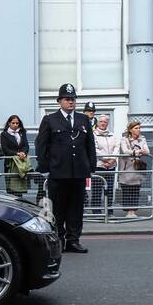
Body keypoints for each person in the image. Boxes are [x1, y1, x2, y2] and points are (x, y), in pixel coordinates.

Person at [35, 83, 96, 253]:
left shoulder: (83, 119)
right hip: (58, 172)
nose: (71, 102)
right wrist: (45, 167)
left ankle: (73, 240)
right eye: (67, 99)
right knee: (58, 209)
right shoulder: (50, 119)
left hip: (78, 172)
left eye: (73, 99)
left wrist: (91, 165)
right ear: (59, 101)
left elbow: (89, 144)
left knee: (76, 209)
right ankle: (58, 239)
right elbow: (42, 145)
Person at [116, 121, 150, 219]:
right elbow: (125, 151)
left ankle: (133, 211)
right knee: (126, 190)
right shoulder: (124, 139)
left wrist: (137, 152)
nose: (138, 130)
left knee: (135, 190)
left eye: (139, 128)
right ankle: (128, 211)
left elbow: (147, 150)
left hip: (137, 168)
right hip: (127, 167)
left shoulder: (142, 139)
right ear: (130, 130)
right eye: (136, 128)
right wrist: (138, 151)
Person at [94, 114, 118, 208]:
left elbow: (117, 147)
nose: (103, 123)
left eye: (105, 122)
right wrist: (106, 159)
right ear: (98, 123)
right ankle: (96, 210)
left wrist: (112, 159)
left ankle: (109, 210)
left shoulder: (112, 134)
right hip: (99, 165)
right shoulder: (93, 134)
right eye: (101, 121)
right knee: (97, 189)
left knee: (109, 189)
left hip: (111, 165)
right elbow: (95, 149)